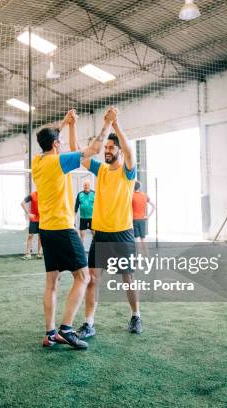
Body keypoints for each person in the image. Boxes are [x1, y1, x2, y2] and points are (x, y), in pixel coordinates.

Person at [33, 108, 111, 349]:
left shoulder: (37, 162)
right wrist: (107, 124)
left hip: (46, 229)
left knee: (51, 283)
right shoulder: (59, 162)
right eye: (61, 141)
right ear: (56, 144)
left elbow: (53, 143)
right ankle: (66, 329)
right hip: (63, 228)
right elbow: (94, 150)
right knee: (83, 276)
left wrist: (67, 124)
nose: (63, 143)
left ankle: (50, 333)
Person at [75, 107, 142, 339]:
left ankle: (136, 315)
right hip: (100, 234)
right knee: (93, 278)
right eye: (106, 148)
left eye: (112, 148)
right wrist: (74, 127)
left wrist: (114, 123)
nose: (107, 150)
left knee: (128, 278)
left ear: (120, 152)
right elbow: (80, 155)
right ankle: (89, 323)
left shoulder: (127, 172)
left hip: (123, 234)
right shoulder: (100, 170)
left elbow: (130, 151)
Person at [21, 191, 42, 260]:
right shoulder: (32, 195)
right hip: (33, 218)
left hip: (42, 218)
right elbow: (22, 203)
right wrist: (28, 213)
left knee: (40, 236)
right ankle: (28, 254)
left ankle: (39, 253)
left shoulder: (45, 194)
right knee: (30, 236)